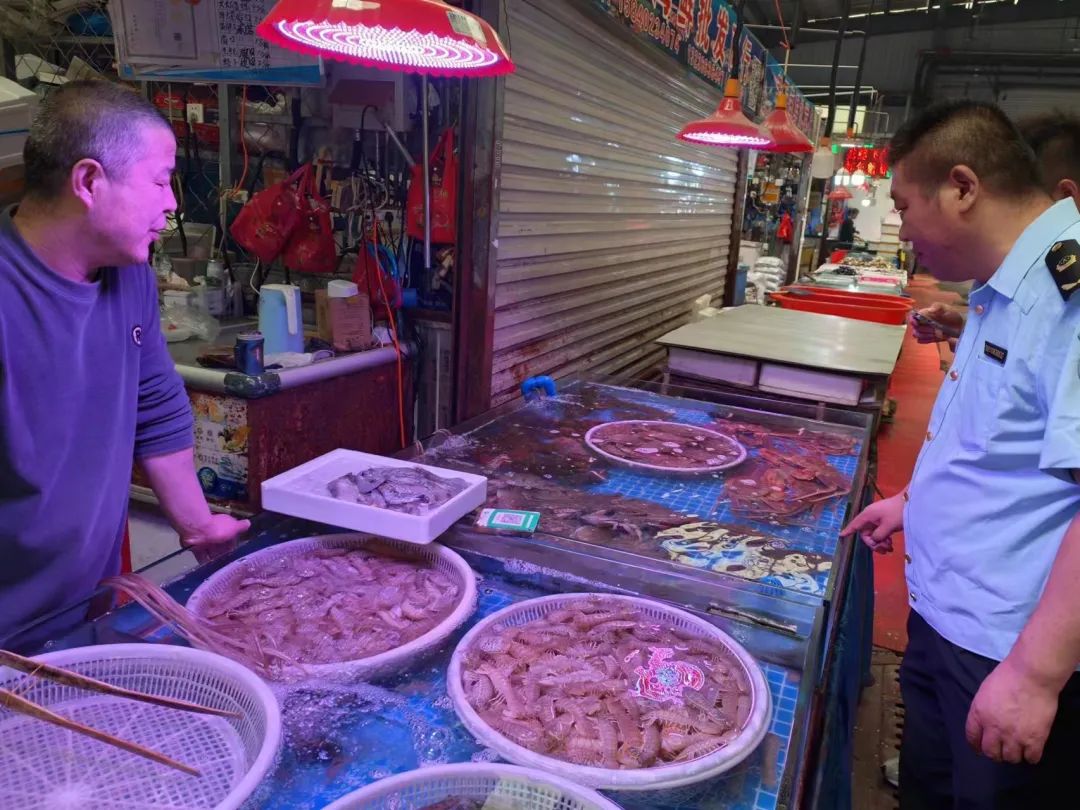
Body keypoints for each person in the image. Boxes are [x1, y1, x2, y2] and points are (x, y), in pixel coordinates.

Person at [841, 100, 1080, 808]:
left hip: (1007, 648)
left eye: (904, 207)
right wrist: (912, 503)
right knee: (929, 789)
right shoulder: (1003, 285)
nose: (903, 230)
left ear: (963, 188)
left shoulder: (1067, 295)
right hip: (948, 618)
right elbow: (995, 441)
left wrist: (1036, 675)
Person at [0, 80, 249, 649]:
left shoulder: (128, 273)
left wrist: (198, 525)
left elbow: (154, 403)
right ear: (89, 181)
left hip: (85, 616)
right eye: (160, 181)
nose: (172, 203)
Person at [910, 110, 1080, 349]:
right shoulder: (1018, 281)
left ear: (1066, 197)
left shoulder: (1066, 291)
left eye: (1021, 202)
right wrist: (968, 329)